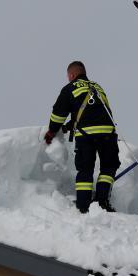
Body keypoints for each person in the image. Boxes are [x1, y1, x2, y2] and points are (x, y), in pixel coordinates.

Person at [44, 61, 120, 213]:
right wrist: (68, 126)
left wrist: (52, 131)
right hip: (108, 133)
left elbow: (58, 114)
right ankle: (102, 202)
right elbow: (90, 111)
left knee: (85, 169)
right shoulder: (97, 87)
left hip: (86, 135)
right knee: (108, 168)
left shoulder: (70, 88)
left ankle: (84, 206)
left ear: (71, 75)